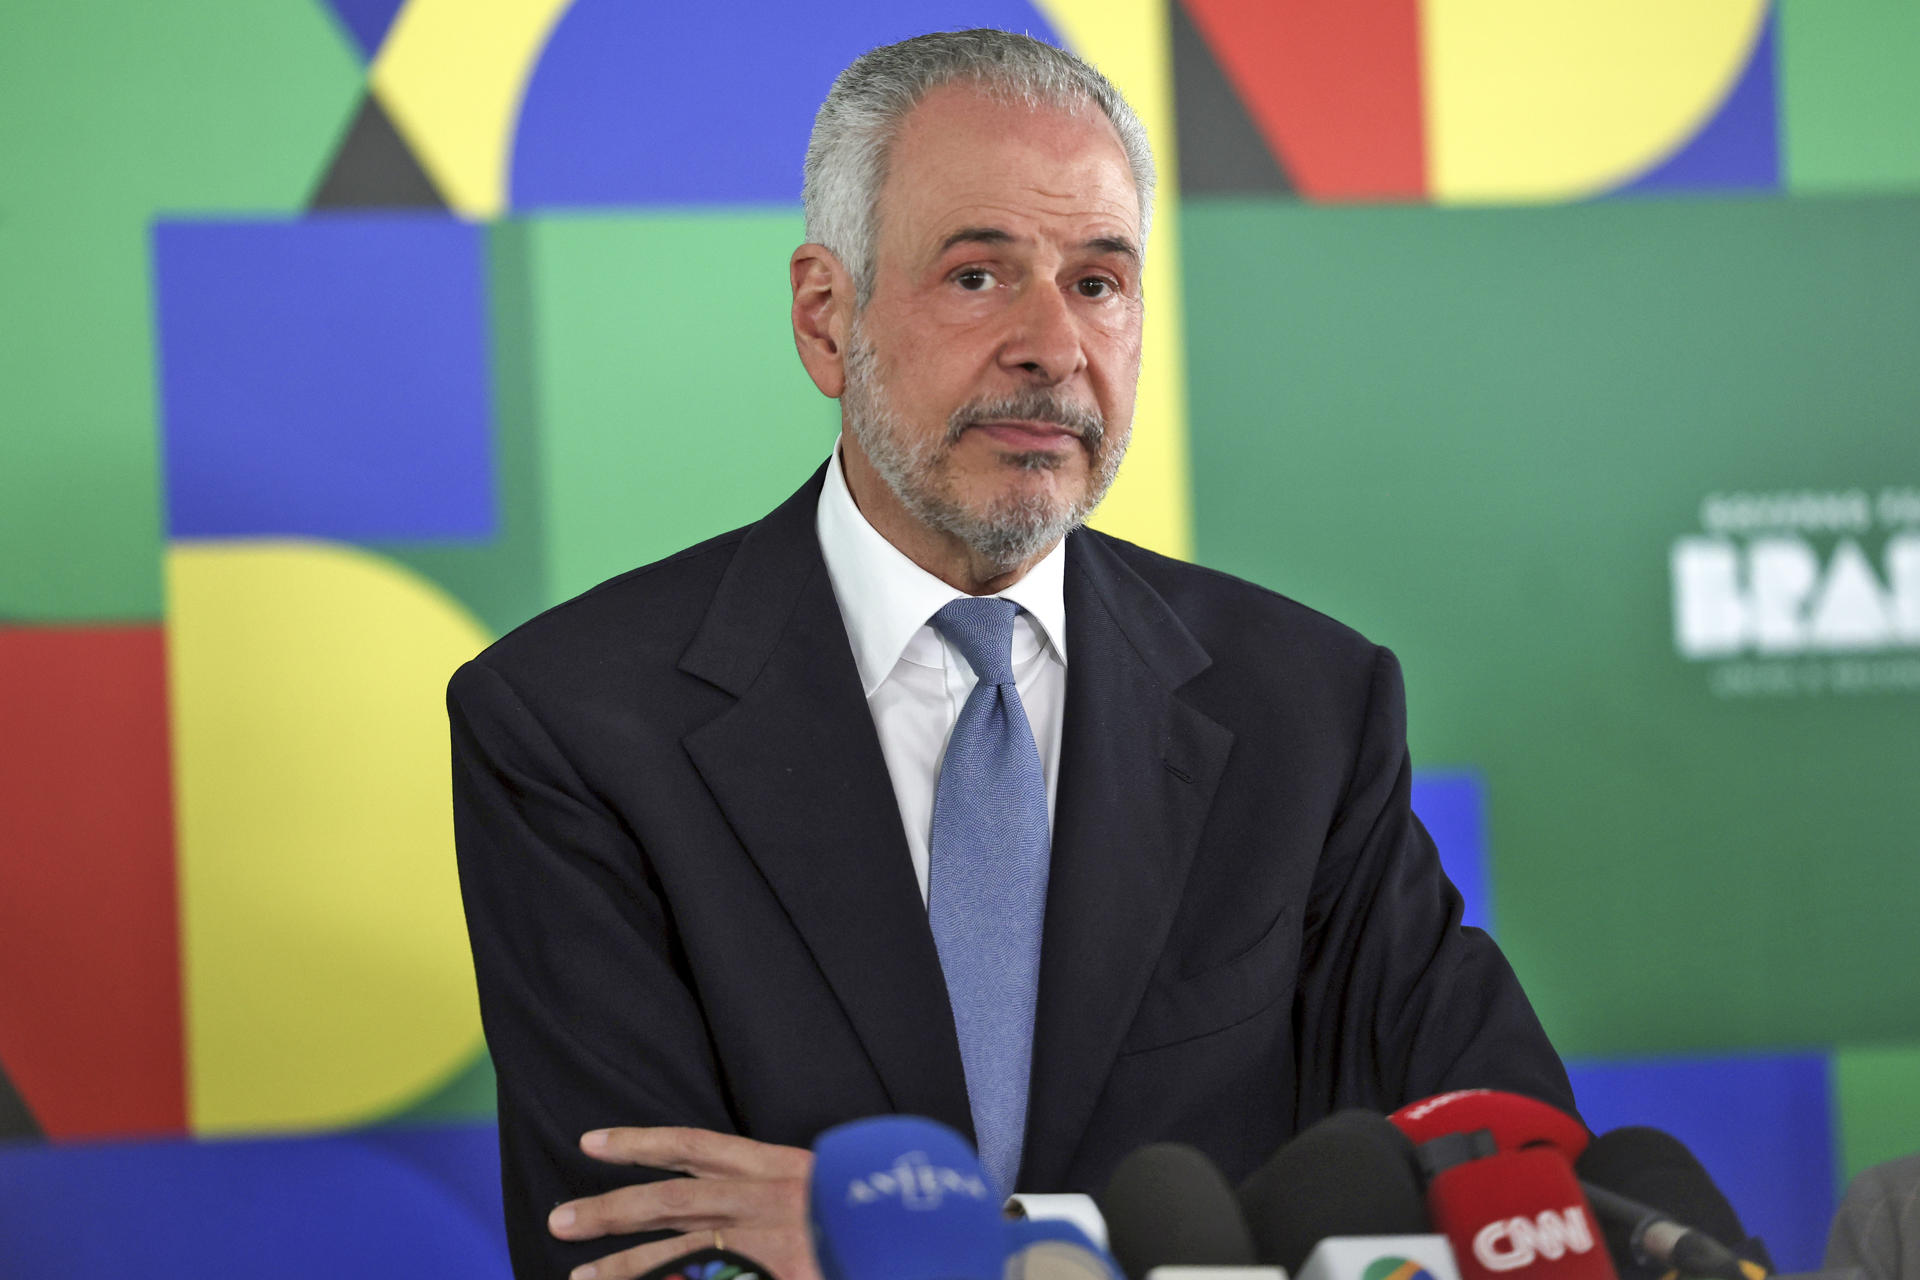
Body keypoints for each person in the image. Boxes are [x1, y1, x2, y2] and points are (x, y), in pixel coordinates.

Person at [448, 28, 1575, 1280]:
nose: (1053, 345)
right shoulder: (574, 723)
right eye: (980, 276)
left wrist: (946, 1248)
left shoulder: (1306, 707)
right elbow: (638, 1252)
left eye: (1099, 282)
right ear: (828, 319)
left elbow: (1520, 1198)